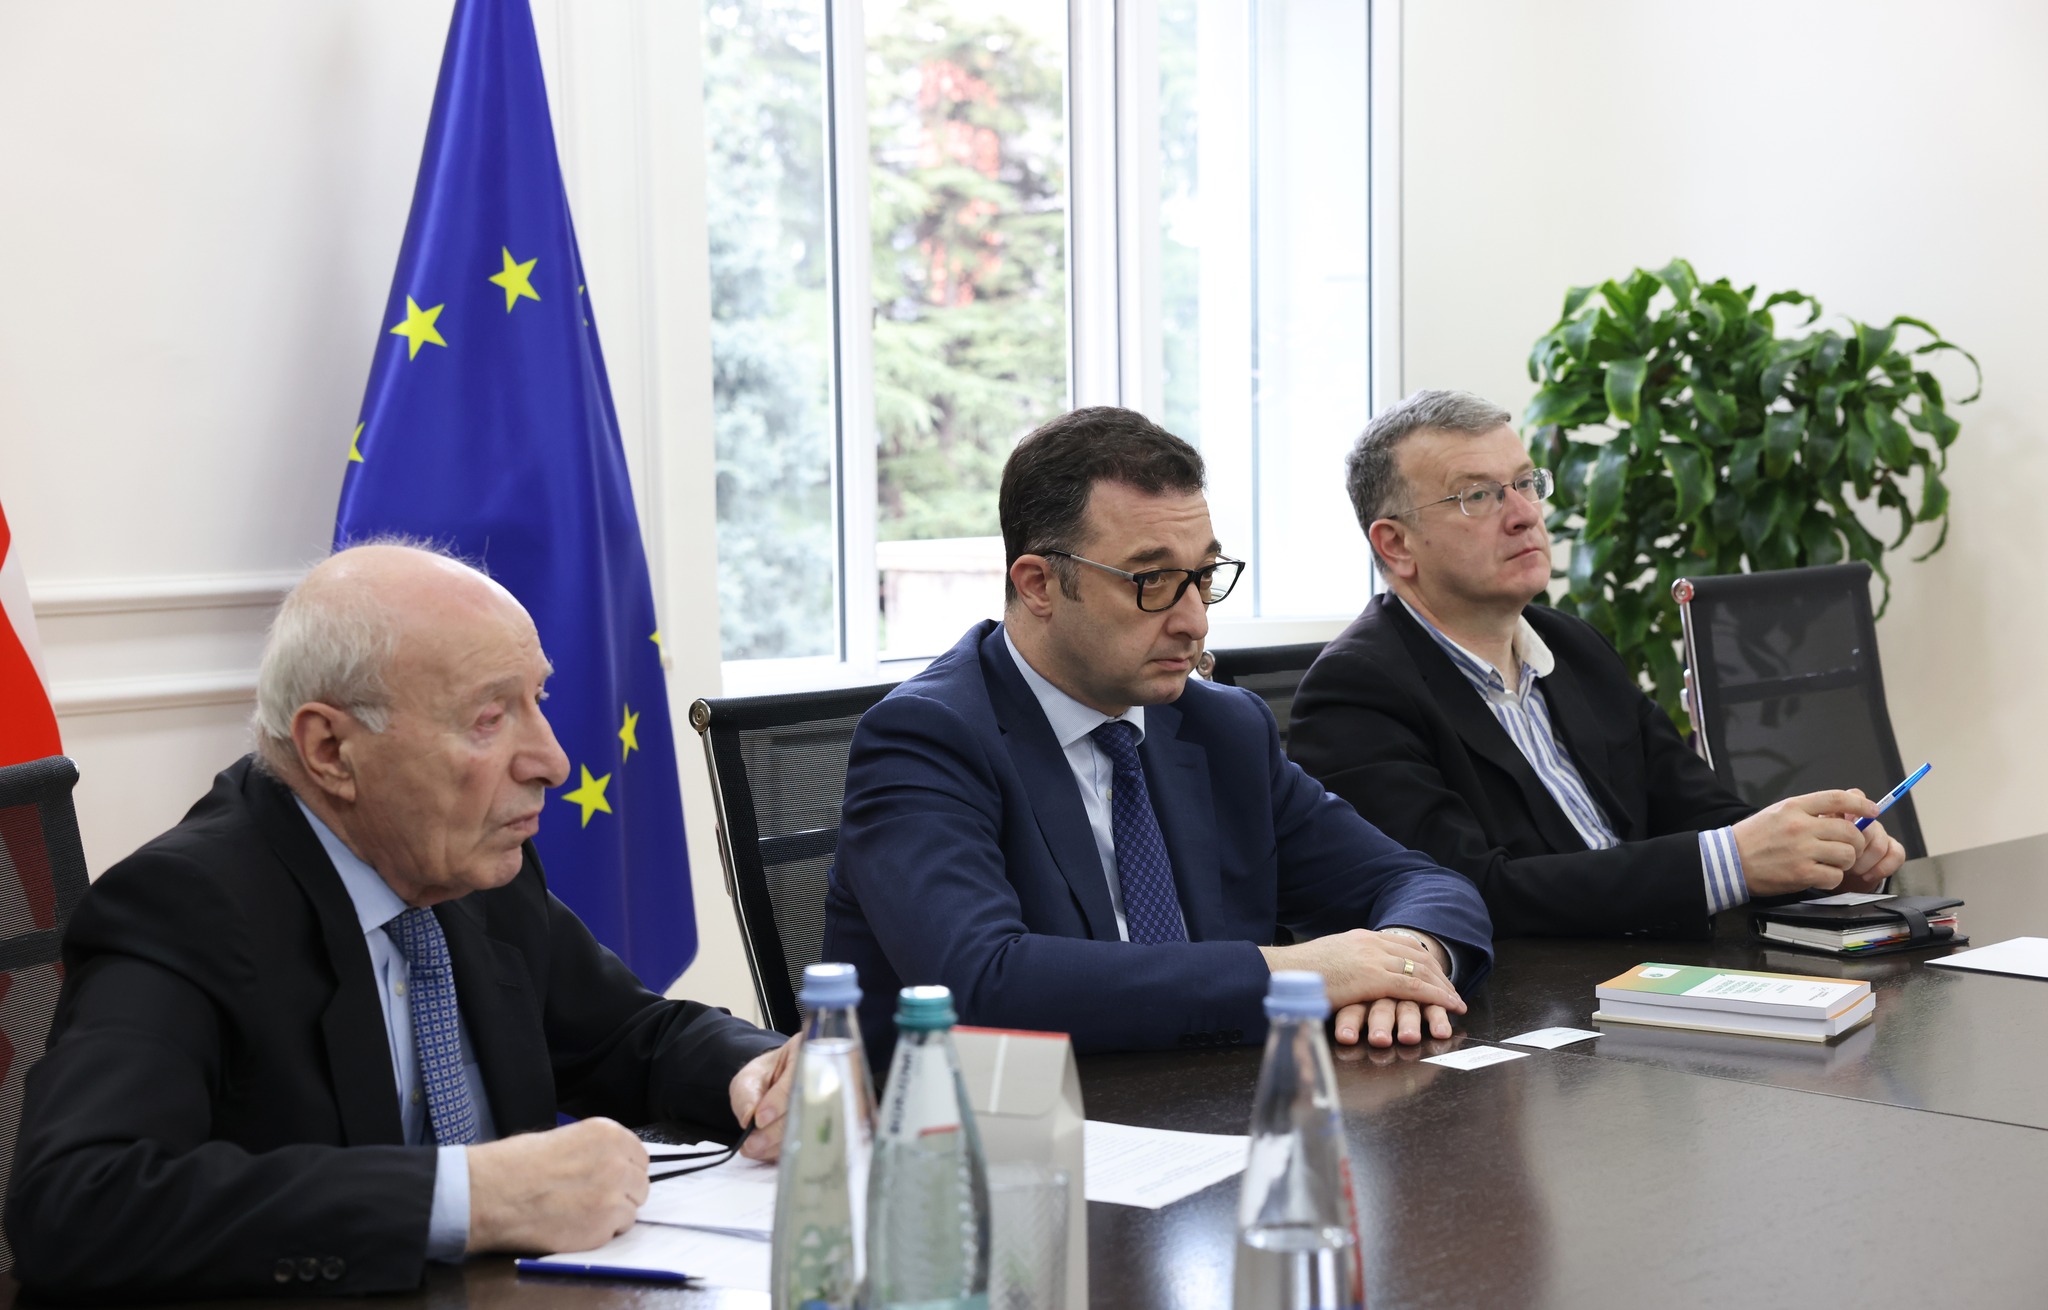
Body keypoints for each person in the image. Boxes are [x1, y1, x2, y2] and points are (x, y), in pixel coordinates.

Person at [6, 544, 794, 1300]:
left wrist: (758, 1074)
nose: (552, 761)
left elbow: (626, 1036)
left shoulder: (465, 862)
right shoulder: (184, 907)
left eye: (538, 701)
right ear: (331, 750)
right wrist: (471, 1197)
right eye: (489, 717)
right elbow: (77, 1200)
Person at [821, 407, 1493, 1062]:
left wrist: (1406, 964)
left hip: (1214, 1104)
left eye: (1203, 577)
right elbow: (983, 982)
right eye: (1153, 581)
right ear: (1038, 585)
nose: (1194, 621)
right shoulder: (927, 737)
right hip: (986, 1121)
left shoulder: (1221, 727)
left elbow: (1421, 883)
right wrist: (1303, 973)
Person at [1289, 390, 1908, 939]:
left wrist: (1816, 855)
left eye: (1526, 483)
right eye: (1478, 496)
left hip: (1657, 972)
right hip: (1534, 1009)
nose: (1524, 514)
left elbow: (1697, 811)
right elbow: (1469, 892)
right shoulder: (1357, 691)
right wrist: (1734, 862)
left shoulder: (1573, 646)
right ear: (1396, 544)